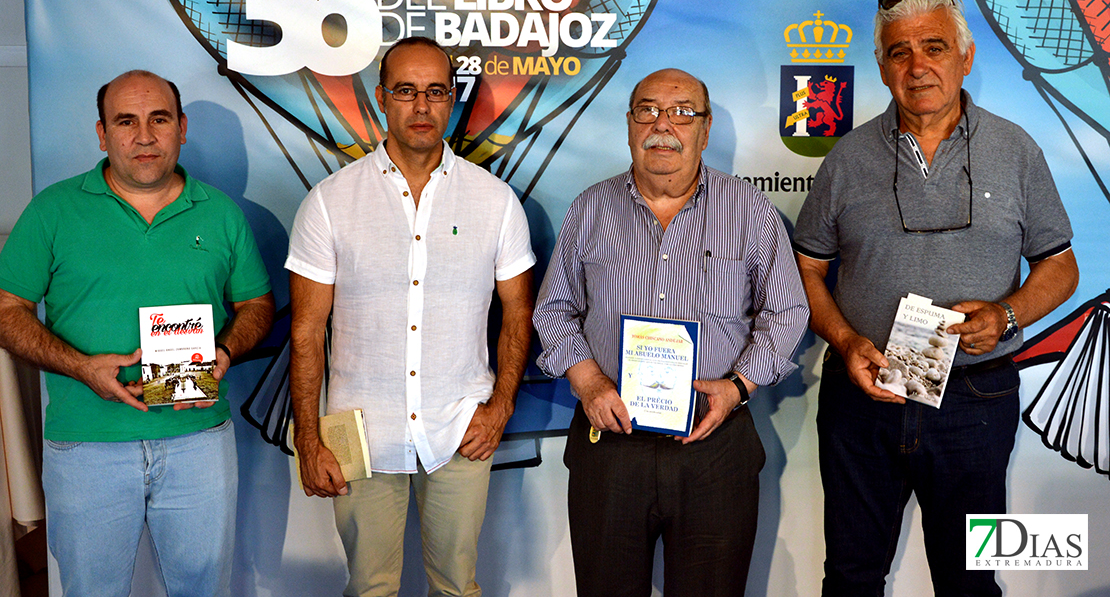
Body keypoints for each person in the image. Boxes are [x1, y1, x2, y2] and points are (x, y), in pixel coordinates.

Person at [793, 0, 1079, 596]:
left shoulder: (1017, 151)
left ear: (966, 57)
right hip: (861, 397)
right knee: (849, 578)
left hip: (977, 400)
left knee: (971, 582)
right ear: (881, 66)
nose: (917, 66)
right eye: (899, 52)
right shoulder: (844, 159)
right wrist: (844, 341)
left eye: (934, 47)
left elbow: (1061, 267)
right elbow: (807, 268)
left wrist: (1006, 313)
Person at [533, 68, 810, 597]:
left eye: (683, 112)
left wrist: (738, 387)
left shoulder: (749, 209)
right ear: (630, 125)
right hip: (609, 442)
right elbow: (554, 308)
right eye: (648, 110)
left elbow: (788, 311)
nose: (664, 125)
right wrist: (589, 384)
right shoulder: (590, 209)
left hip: (715, 440)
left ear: (704, 132)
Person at [0, 70, 275, 597]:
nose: (144, 136)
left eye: (159, 119)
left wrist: (225, 350)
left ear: (182, 128)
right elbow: (7, 308)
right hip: (86, 447)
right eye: (126, 121)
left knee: (202, 589)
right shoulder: (54, 210)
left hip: (199, 441)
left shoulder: (220, 213)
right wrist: (81, 367)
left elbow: (257, 303)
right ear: (102, 134)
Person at [287, 36, 535, 597]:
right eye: (406, 91)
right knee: (369, 588)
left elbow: (519, 312)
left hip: (459, 428)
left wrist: (501, 407)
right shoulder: (329, 201)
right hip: (360, 433)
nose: (421, 106)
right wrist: (309, 438)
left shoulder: (495, 201)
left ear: (453, 99)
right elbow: (305, 332)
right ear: (381, 99)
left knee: (456, 587)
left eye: (435, 91)